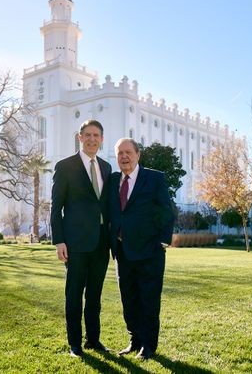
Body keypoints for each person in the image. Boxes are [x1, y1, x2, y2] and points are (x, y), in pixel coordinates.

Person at [109, 138, 174, 361]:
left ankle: (148, 345)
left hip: (150, 253)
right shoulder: (112, 181)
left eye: (128, 152)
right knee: (128, 300)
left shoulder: (155, 178)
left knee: (148, 301)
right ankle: (134, 340)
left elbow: (167, 211)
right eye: (120, 153)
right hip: (122, 252)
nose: (124, 157)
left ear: (138, 155)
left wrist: (162, 242)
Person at [50, 119, 112, 357]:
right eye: (87, 135)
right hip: (74, 244)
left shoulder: (106, 167)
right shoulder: (65, 166)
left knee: (94, 296)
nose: (92, 139)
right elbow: (57, 208)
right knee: (74, 295)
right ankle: (75, 343)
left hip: (100, 243)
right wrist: (59, 240)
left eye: (96, 135)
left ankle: (93, 340)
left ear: (102, 139)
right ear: (80, 137)